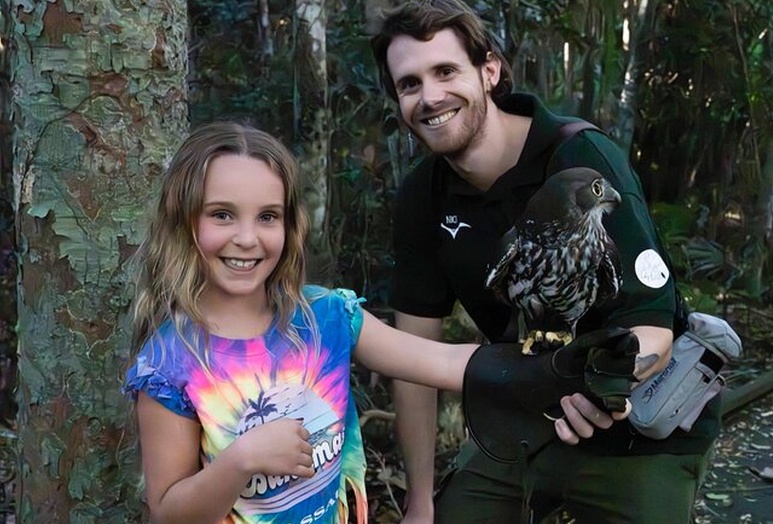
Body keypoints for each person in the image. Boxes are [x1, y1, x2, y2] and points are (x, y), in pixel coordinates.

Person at [122, 121, 635, 524]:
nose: (247, 238)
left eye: (268, 216)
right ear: (185, 221)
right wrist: (241, 461)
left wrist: (561, 368)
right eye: (222, 215)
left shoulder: (324, 317)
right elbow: (168, 512)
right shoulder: (171, 363)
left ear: (289, 224)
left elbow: (441, 361)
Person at [370, 1, 722, 523]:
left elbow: (652, 321)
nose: (431, 96)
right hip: (526, 411)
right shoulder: (424, 196)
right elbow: (413, 356)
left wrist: (601, 388)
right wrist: (419, 499)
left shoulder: (581, 159)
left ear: (489, 71)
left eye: (446, 71)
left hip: (639, 423)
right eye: (410, 83)